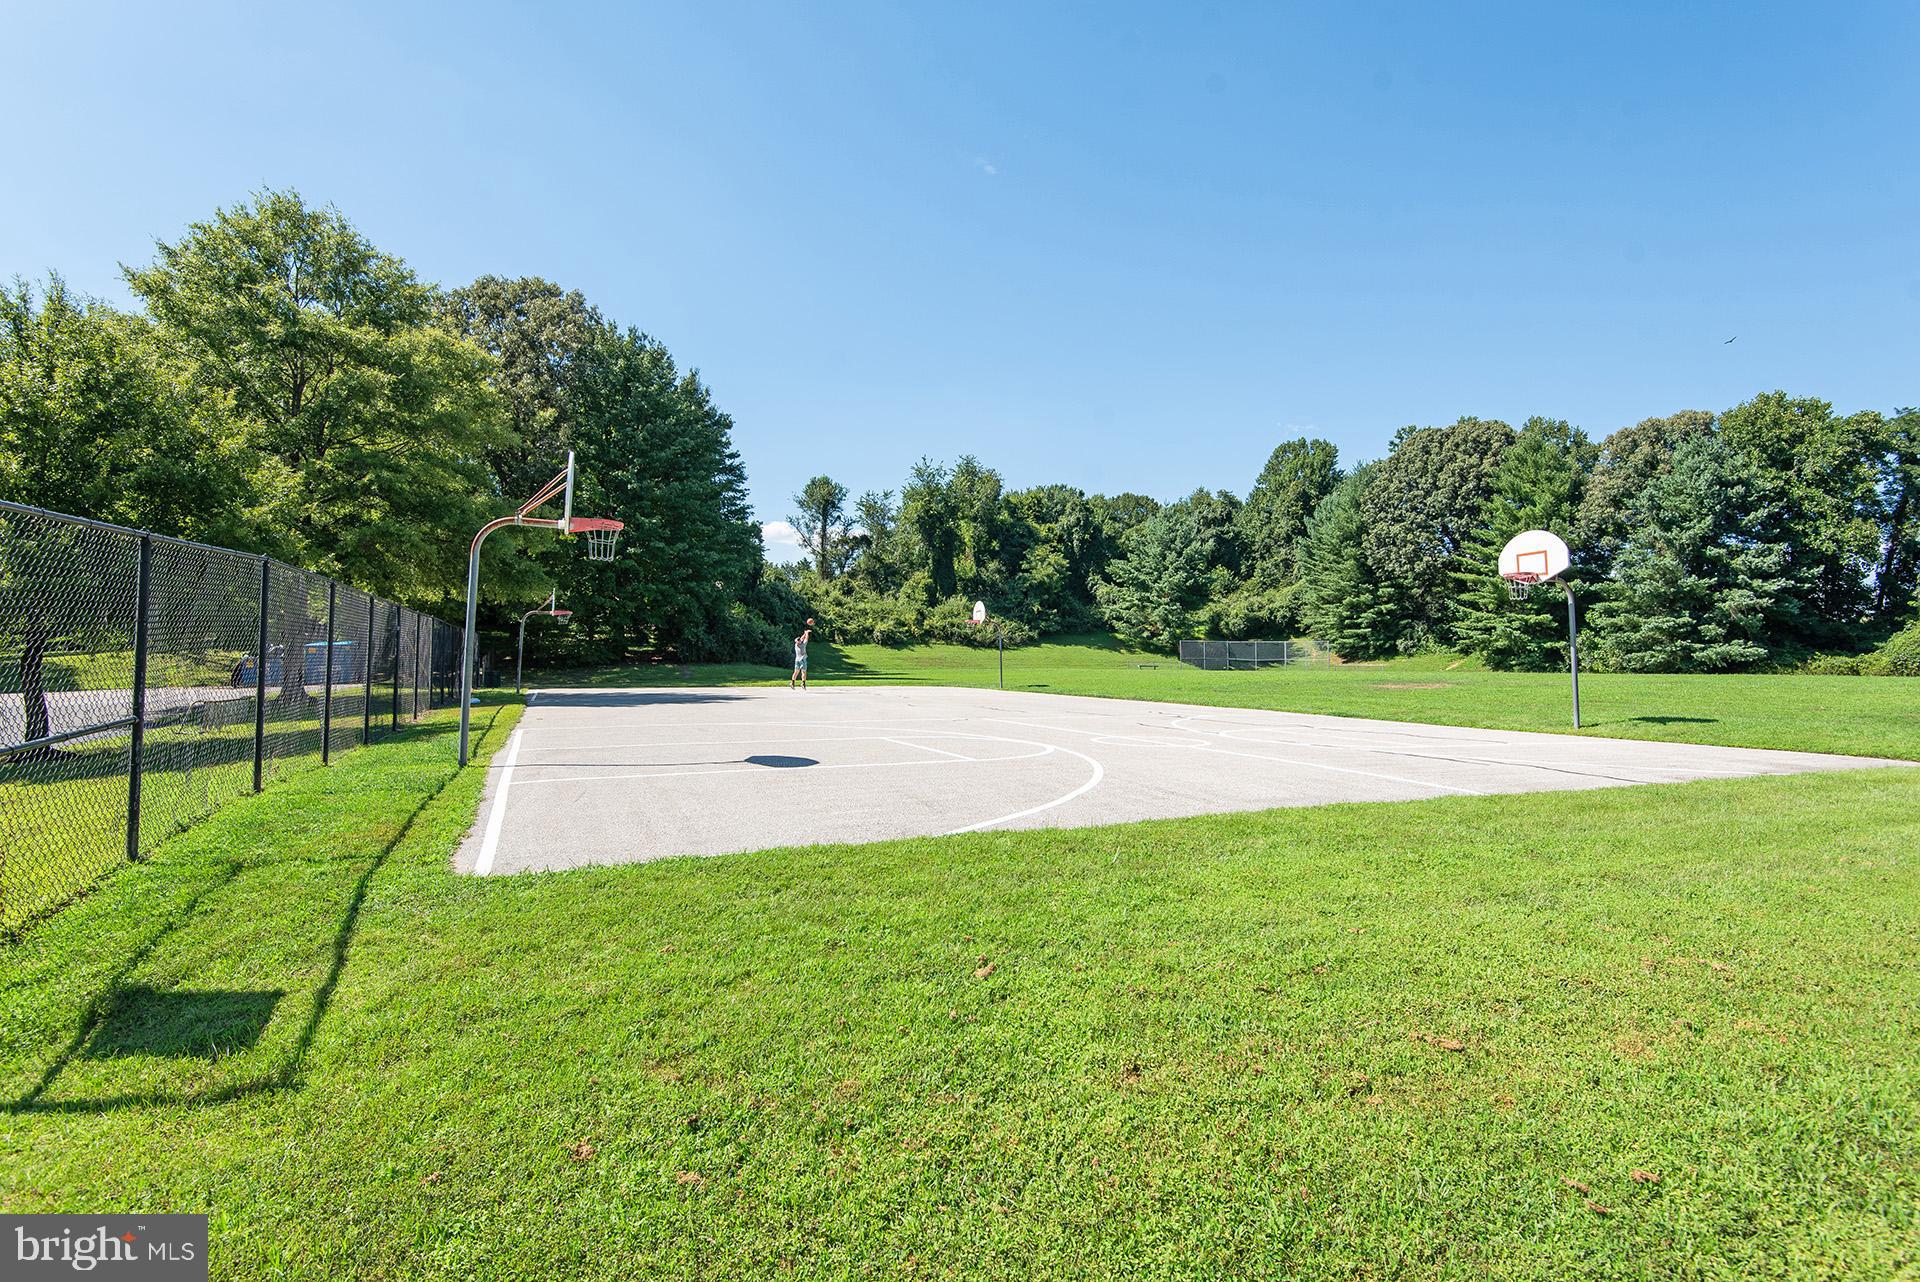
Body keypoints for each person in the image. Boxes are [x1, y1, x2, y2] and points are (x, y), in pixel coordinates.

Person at [791, 619, 813, 690]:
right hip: (802, 660)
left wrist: (804, 633)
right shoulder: (803, 644)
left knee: (796, 672)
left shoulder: (796, 644)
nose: (799, 640)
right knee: (803, 672)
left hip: (797, 660)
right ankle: (802, 684)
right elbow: (805, 638)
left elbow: (801, 638)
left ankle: (793, 683)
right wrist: (807, 633)